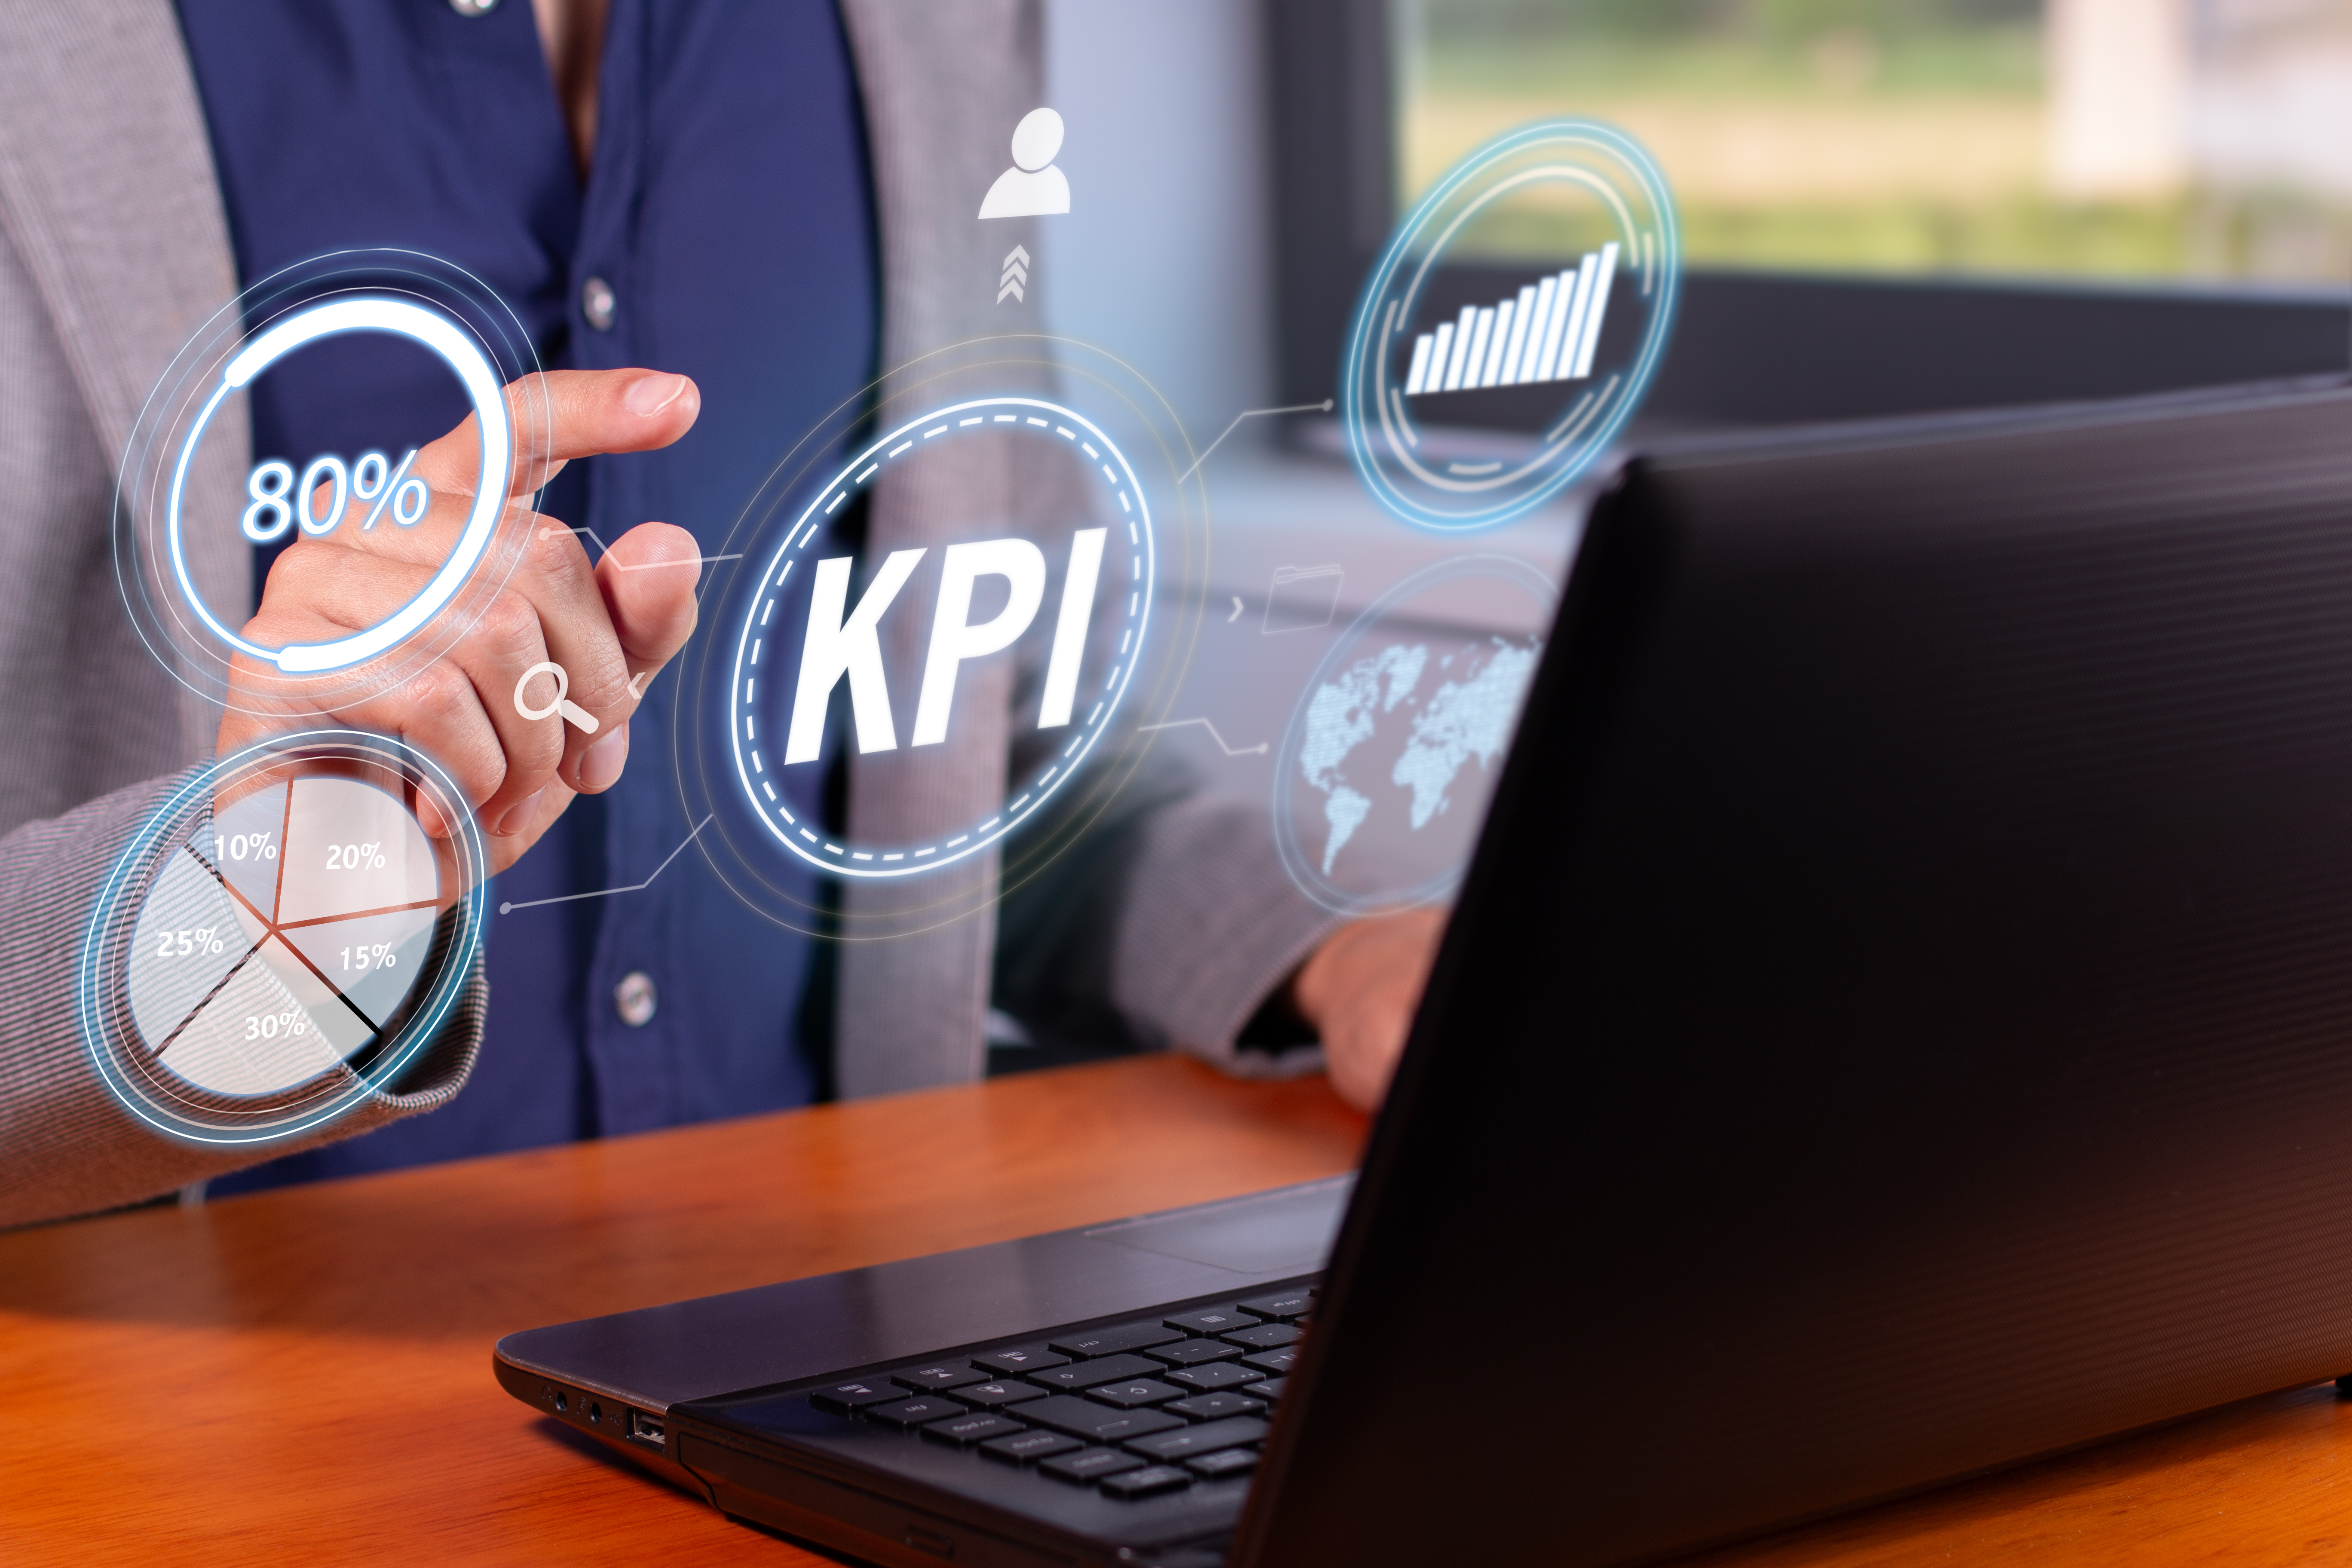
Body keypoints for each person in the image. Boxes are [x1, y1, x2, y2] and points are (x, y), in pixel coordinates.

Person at [0, 0, 1442, 1230]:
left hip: (819, 1395)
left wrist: (1326, 949)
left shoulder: (934, 33)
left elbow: (954, 759)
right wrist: (235, 903)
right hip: (184, 1460)